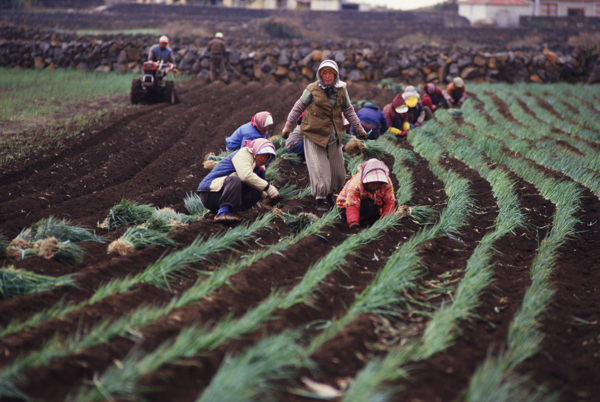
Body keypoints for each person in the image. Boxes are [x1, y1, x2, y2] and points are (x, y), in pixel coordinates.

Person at [281, 59, 368, 212]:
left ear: (336, 74)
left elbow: (348, 110)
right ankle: (320, 199)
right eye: (324, 73)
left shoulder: (341, 89)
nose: (328, 76)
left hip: (333, 134)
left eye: (331, 73)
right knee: (320, 168)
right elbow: (297, 108)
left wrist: (359, 128)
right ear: (320, 74)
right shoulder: (312, 89)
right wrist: (288, 125)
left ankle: (331, 195)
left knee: (337, 171)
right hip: (314, 134)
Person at [197, 138, 281, 222]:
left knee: (257, 190)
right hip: (209, 192)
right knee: (235, 179)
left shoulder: (259, 168)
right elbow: (245, 176)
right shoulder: (244, 153)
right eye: (262, 155)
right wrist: (268, 188)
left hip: (223, 193)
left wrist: (268, 197)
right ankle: (223, 212)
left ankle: (234, 211)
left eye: (266, 157)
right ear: (256, 150)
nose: (263, 159)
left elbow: (259, 184)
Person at [336, 158, 396, 228]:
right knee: (368, 204)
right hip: (347, 207)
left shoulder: (386, 183)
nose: (375, 185)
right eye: (372, 183)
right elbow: (352, 204)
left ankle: (371, 221)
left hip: (374, 203)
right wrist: (353, 223)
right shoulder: (356, 185)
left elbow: (388, 201)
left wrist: (385, 222)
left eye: (378, 183)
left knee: (395, 203)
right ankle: (362, 222)